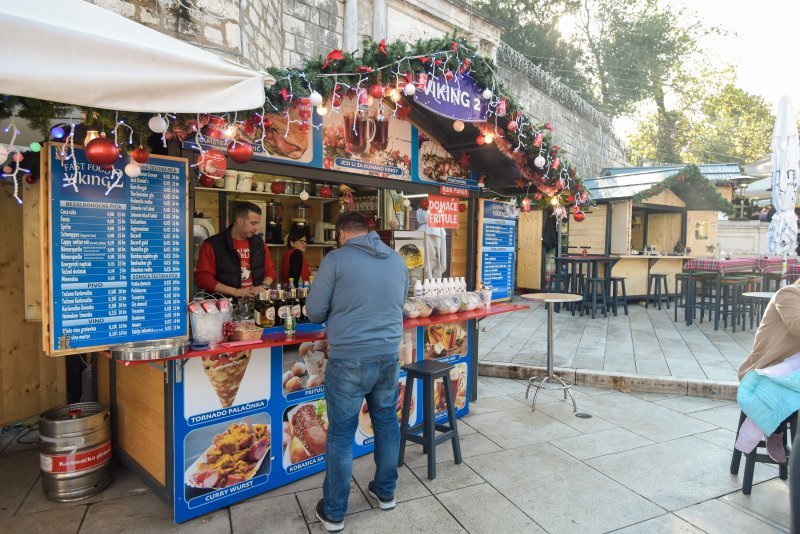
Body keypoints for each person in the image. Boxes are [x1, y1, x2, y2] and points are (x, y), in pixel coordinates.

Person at [305, 211, 408, 532]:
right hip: (388, 356)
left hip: (349, 358)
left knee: (340, 435)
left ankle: (335, 512)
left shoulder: (336, 259)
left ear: (341, 233)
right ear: (369, 231)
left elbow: (314, 311)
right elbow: (400, 302)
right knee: (388, 422)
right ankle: (386, 492)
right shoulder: (397, 260)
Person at [735, 280, 800, 463]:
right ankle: (772, 429)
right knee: (787, 393)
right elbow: (796, 325)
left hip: (792, 369)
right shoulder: (789, 293)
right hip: (767, 368)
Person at [195, 201, 276, 298]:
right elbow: (203, 279)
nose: (257, 228)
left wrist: (264, 286)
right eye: (253, 223)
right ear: (240, 221)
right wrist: (236, 292)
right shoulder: (212, 244)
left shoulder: (259, 243)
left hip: (255, 303)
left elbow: (270, 271)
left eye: (258, 223)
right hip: (223, 305)